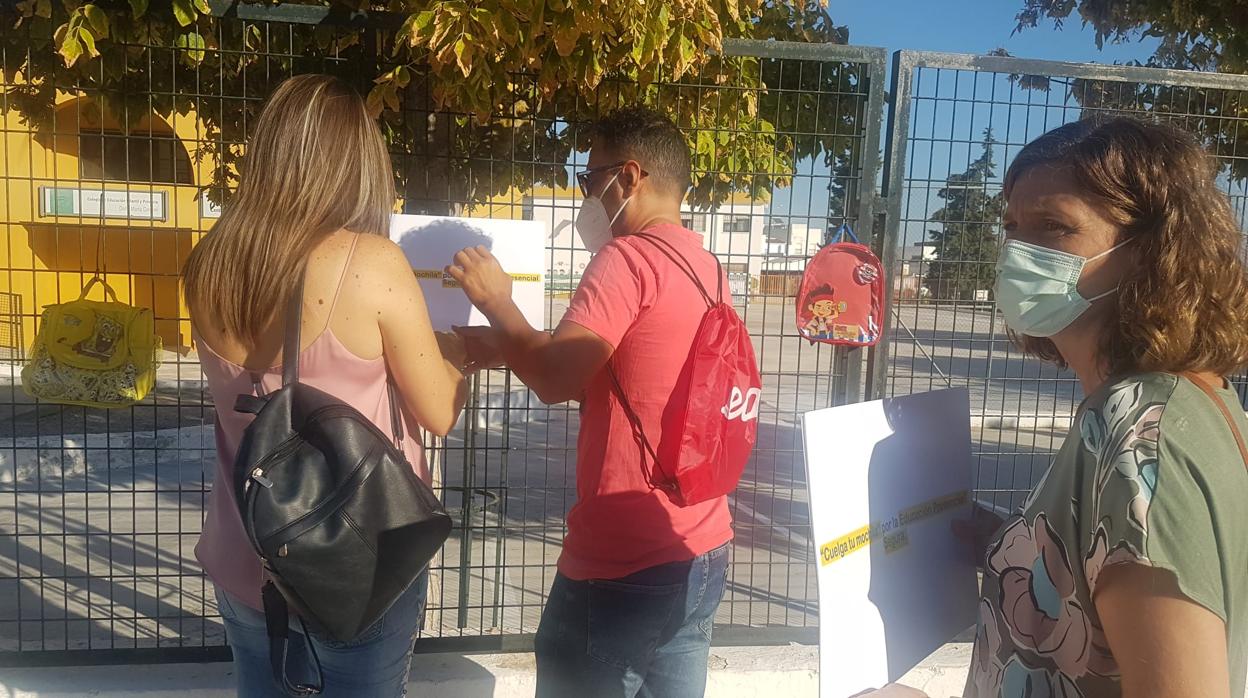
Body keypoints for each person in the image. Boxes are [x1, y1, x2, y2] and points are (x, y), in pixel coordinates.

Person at [865, 117, 1248, 698]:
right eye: (1013, 227)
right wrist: (1018, 544)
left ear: (1149, 252)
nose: (1020, 254)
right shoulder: (1179, 401)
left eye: (1054, 228)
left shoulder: (1140, 434)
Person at [182, 74, 469, 697]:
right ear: (356, 163)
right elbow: (441, 410)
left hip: (246, 551)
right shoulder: (368, 261)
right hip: (354, 558)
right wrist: (460, 353)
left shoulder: (207, 262)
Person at [447, 106, 734, 697]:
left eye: (589, 178)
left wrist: (498, 303)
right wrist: (507, 345)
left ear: (628, 177)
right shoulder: (706, 267)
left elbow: (555, 380)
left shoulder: (626, 260)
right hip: (701, 541)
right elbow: (617, 365)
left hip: (623, 558)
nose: (587, 197)